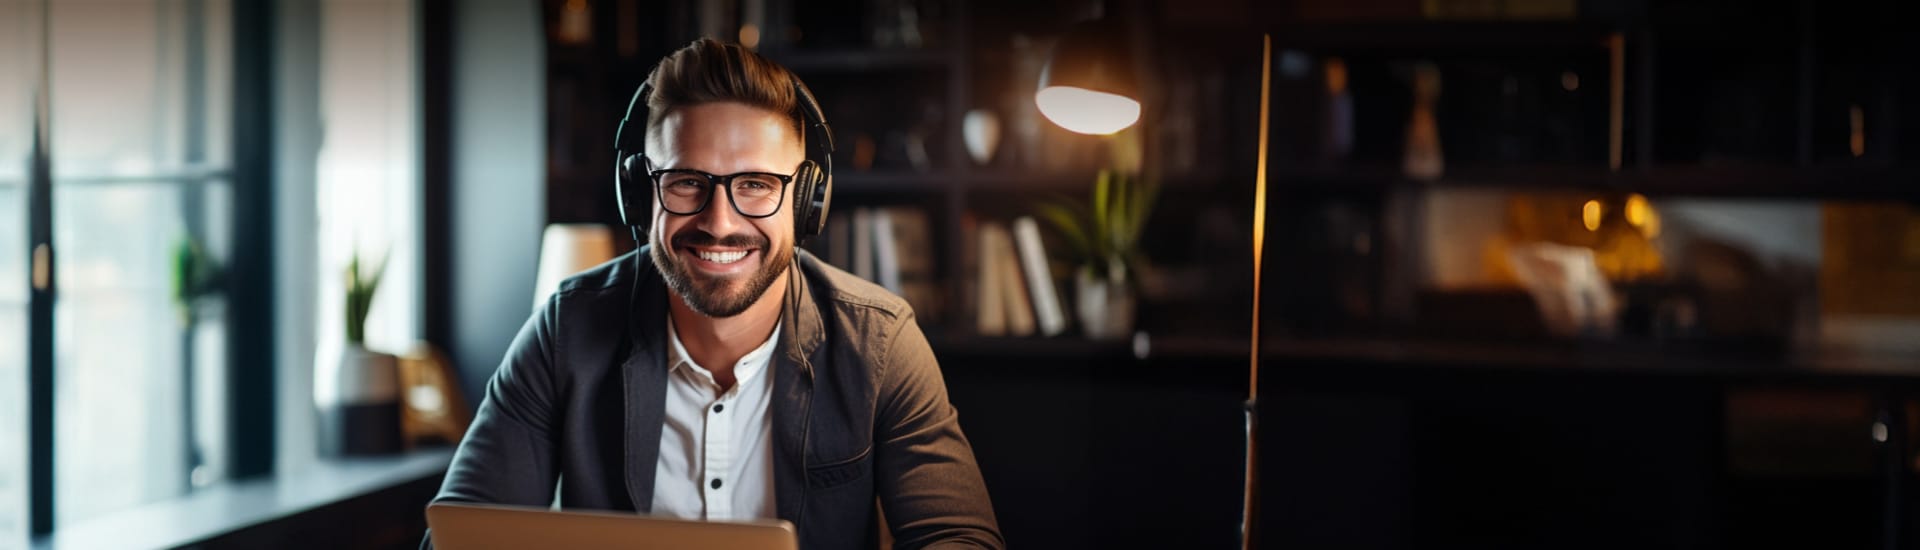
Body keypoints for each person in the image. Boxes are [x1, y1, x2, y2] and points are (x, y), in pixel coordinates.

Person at [428, 38, 1003, 550]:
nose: (719, 221)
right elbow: (462, 534)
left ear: (807, 200)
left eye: (756, 184)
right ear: (640, 194)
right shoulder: (566, 331)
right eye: (686, 182)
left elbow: (958, 537)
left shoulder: (879, 341)